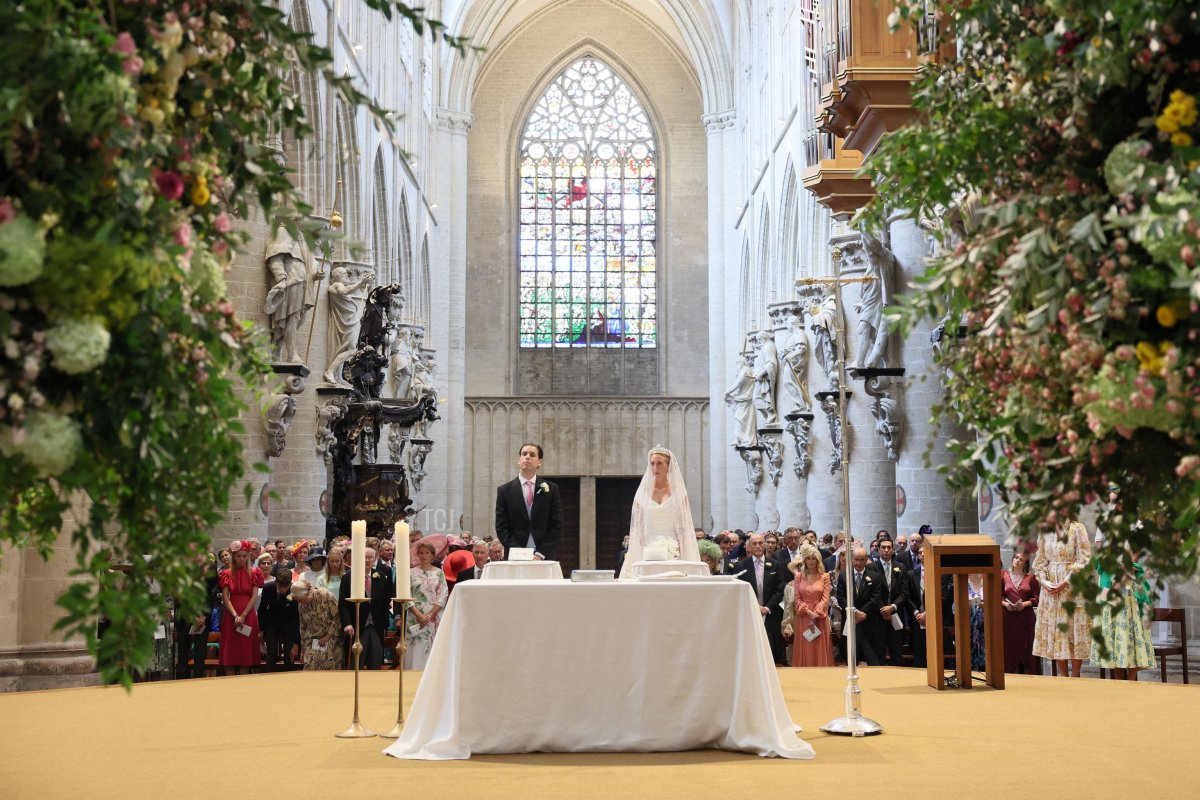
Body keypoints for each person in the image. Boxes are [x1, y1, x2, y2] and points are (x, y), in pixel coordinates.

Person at [619, 448, 702, 577]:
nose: (655, 467)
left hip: (673, 549)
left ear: (669, 466)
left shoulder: (679, 493)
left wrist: (680, 550)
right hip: (646, 550)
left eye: (660, 463)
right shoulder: (642, 493)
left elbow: (684, 527)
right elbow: (638, 527)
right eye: (652, 463)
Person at [1032, 521, 1092, 677]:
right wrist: (1044, 581)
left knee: (1073, 629)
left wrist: (1066, 581)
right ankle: (1063, 675)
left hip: (1072, 587)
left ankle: (1076, 674)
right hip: (1051, 589)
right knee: (1057, 629)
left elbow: (1084, 560)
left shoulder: (1077, 528)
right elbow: (1040, 561)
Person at [495, 442, 565, 560]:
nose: (527, 457)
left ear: (539, 462)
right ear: (519, 460)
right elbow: (501, 527)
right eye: (524, 454)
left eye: (532, 455)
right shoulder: (504, 490)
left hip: (544, 556)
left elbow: (557, 526)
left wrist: (541, 553)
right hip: (515, 556)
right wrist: (520, 554)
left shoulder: (551, 489)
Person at [735, 533, 788, 665]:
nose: (758, 546)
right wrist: (755, 606)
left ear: (764, 545)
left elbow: (780, 589)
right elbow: (740, 590)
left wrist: (767, 607)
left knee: (771, 645)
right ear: (749, 547)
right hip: (751, 612)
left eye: (760, 543)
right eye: (754, 544)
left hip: (771, 612)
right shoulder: (742, 566)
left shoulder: (775, 565)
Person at [338, 547, 395, 670]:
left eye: (370, 558)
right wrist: (347, 624)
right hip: (357, 625)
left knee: (375, 661)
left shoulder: (381, 576)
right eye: (365, 557)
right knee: (356, 662)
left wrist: (385, 622)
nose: (367, 560)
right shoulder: (348, 577)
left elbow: (386, 601)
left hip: (376, 625)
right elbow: (342, 604)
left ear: (375, 559)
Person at [781, 544, 833, 667]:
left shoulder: (825, 576)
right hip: (804, 617)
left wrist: (817, 612)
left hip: (820, 617)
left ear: (818, 560)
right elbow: (797, 598)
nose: (811, 561)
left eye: (813, 558)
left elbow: (826, 598)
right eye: (808, 558)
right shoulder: (798, 576)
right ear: (804, 560)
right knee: (805, 647)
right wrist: (809, 612)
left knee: (819, 647)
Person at [217, 540, 264, 675]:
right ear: (233, 557)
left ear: (248, 556)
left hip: (248, 614)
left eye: (244, 556)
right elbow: (225, 597)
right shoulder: (226, 573)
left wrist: (243, 615)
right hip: (230, 615)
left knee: (245, 651)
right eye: (238, 556)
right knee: (231, 650)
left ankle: (244, 682)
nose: (242, 559)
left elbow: (254, 596)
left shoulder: (254, 572)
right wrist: (235, 615)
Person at [834, 546, 881, 666]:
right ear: (852, 559)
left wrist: (862, 613)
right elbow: (841, 598)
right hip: (850, 620)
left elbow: (875, 598)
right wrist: (854, 612)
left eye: (861, 560)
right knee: (851, 656)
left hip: (868, 621)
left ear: (866, 560)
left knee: (871, 657)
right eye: (856, 559)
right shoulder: (844, 576)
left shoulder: (874, 577)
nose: (858, 563)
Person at [405, 540, 448, 670]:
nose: (424, 556)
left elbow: (443, 595)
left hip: (433, 616)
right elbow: (406, 594)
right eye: (421, 553)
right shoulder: (411, 572)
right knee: (415, 648)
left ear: (432, 555)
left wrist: (429, 615)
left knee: (432, 646)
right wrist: (418, 614)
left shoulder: (439, 572)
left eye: (427, 553)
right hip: (414, 616)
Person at [1001, 550, 1041, 675]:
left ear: (1025, 564)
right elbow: (998, 596)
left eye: (1021, 559)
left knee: (1028, 646)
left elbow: (1037, 598)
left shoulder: (1031, 577)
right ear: (1012, 560)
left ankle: (1031, 676)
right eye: (1016, 558)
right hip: (1009, 618)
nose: (1018, 561)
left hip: (1026, 618)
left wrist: (1024, 604)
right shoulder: (1003, 576)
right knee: (1010, 647)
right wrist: (1006, 604)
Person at [872, 537, 910, 666]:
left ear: (893, 549)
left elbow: (905, 593)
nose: (886, 550)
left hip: (895, 615)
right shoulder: (872, 567)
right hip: (878, 616)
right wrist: (883, 609)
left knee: (896, 651)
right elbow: (871, 593)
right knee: (879, 651)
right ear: (878, 549)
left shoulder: (901, 568)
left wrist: (892, 607)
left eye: (889, 547)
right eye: (883, 547)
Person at [292, 580, 344, 670]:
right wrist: (303, 648)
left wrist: (327, 636)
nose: (300, 603)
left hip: (330, 638)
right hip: (312, 640)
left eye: (301, 600)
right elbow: (303, 625)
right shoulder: (301, 604)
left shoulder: (325, 595)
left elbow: (337, 618)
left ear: (308, 593)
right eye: (298, 601)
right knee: (309, 667)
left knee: (327, 668)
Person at [258, 567, 300, 672]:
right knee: (271, 654)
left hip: (288, 625)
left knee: (288, 655)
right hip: (271, 624)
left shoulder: (294, 591)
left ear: (290, 583)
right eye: (281, 586)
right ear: (276, 582)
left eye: (286, 586)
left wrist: (296, 642)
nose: (283, 590)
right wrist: (261, 630)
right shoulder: (268, 587)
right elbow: (262, 609)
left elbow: (296, 617)